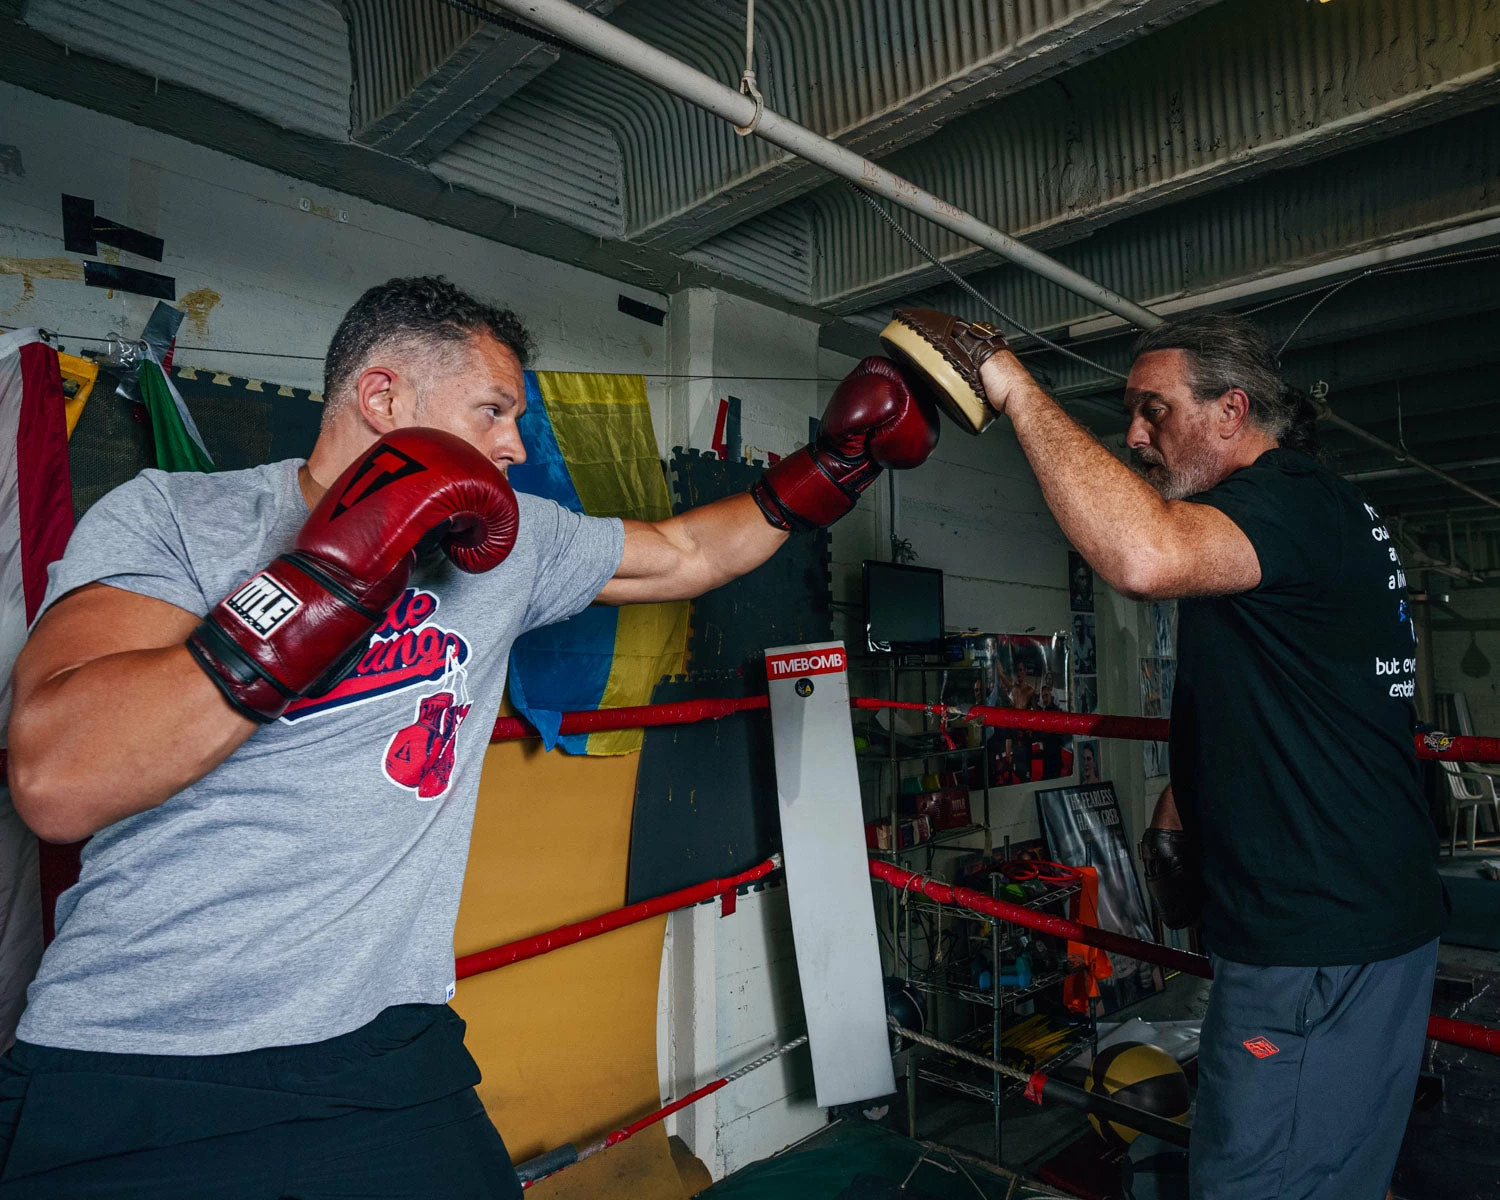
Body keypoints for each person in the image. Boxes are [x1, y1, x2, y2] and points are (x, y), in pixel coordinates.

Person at [1, 276, 941, 1198]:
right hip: (135, 1060)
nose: (515, 450)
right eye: (494, 412)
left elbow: (688, 554)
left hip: (386, 1055)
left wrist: (836, 466)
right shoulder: (177, 518)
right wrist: (326, 581)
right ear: (383, 395)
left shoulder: (505, 542)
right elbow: (56, 780)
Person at [881, 308, 1444, 1200]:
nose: (1135, 435)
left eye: (1155, 410)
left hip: (1316, 940)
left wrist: (1013, 383)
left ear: (1231, 410)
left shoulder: (1283, 501)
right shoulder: (1282, 522)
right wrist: (1183, 809)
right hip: (1340, 919)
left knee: (1256, 1184)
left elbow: (1140, 555)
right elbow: (1271, 690)